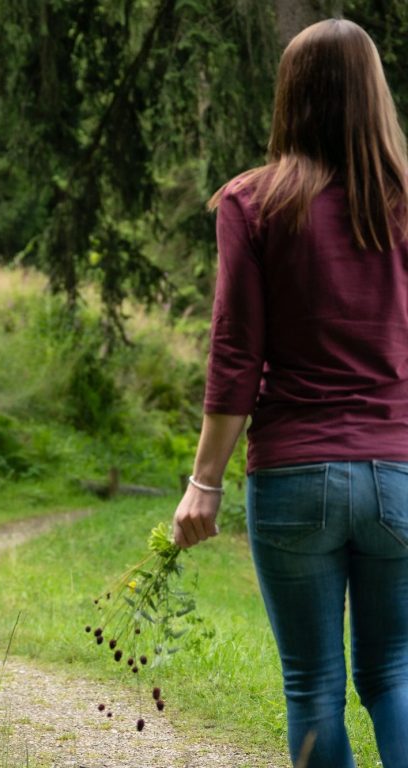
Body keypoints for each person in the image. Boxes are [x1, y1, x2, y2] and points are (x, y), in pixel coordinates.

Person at [172, 18, 408, 768]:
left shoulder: (253, 202)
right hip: (401, 472)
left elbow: (236, 351)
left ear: (291, 97)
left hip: (294, 476)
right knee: (395, 673)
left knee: (312, 685)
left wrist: (205, 481)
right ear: (374, 94)